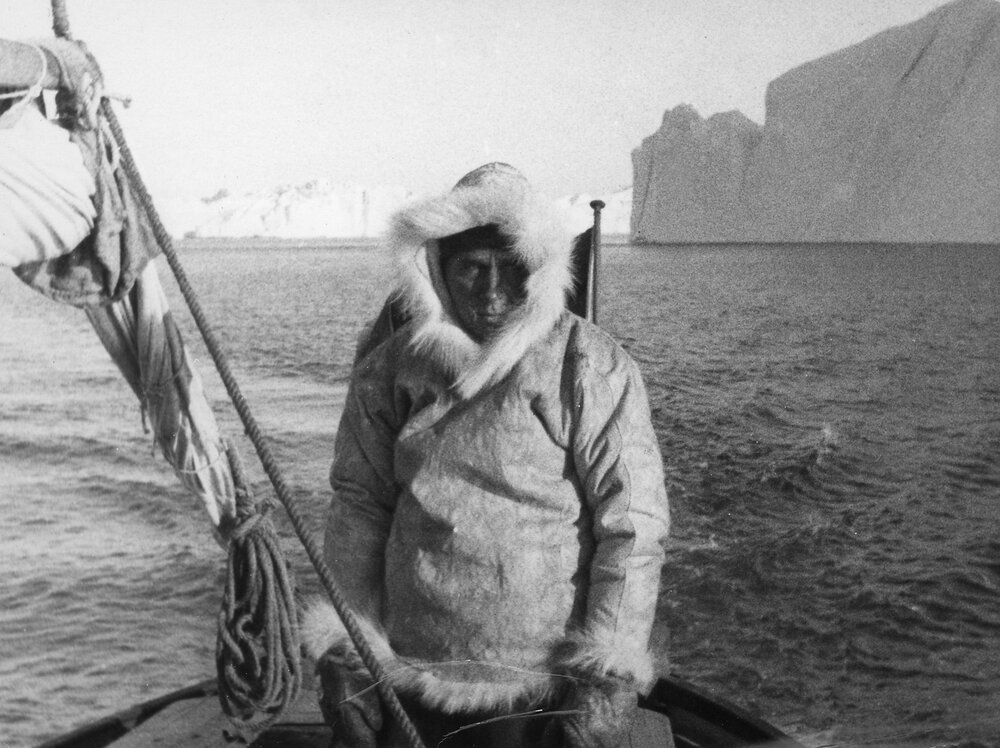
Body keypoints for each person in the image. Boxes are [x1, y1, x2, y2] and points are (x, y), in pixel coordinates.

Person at [303, 163, 670, 747]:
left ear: (542, 270)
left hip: (541, 692)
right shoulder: (392, 368)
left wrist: (608, 675)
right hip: (411, 680)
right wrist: (350, 653)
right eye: (472, 268)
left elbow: (632, 525)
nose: (492, 292)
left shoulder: (589, 364)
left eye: (512, 268)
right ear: (437, 271)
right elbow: (359, 508)